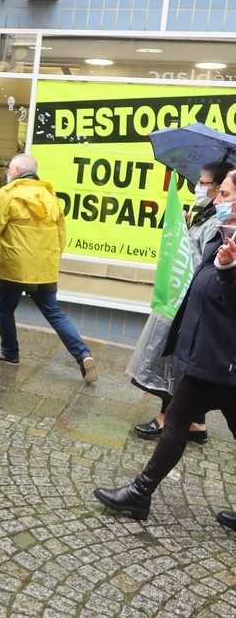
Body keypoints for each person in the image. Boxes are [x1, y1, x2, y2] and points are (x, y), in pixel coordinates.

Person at [94, 169, 236, 525]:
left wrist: (229, 270)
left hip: (222, 362)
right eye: (217, 192)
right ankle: (140, 494)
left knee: (174, 421)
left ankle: (140, 494)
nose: (216, 199)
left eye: (225, 194)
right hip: (213, 357)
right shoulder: (223, 238)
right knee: (176, 420)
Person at [129, 160, 234, 444]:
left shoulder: (221, 221)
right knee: (194, 375)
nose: (198, 187)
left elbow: (203, 262)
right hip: (196, 306)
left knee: (181, 365)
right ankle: (195, 423)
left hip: (199, 308)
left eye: (204, 183)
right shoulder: (209, 214)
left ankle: (170, 419)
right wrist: (188, 228)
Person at [0, 154, 98, 383]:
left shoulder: (7, 194)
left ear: (17, 170)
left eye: (10, 168)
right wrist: (49, 261)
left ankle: (10, 353)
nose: (8, 172)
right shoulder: (52, 198)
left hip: (14, 267)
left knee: (5, 308)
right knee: (53, 312)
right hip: (43, 269)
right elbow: (61, 238)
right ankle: (83, 354)